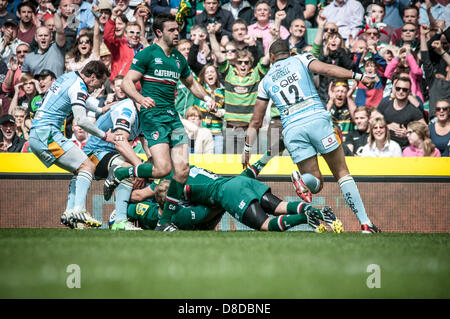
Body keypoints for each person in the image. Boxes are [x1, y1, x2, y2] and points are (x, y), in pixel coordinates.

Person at [243, 39, 381, 234]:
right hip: (317, 119)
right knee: (341, 172)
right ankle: (366, 224)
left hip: (292, 129)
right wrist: (358, 76)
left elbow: (256, 120)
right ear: (290, 52)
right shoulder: (301, 58)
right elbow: (328, 70)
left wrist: (247, 150)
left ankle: (303, 179)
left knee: (315, 183)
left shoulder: (265, 81)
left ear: (272, 58)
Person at [107, 13, 216, 232]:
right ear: (159, 32)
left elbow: (191, 82)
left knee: (182, 170)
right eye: (172, 30)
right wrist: (140, 99)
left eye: (178, 29)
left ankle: (165, 221)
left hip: (172, 117)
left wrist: (207, 98)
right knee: (162, 169)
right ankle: (120, 173)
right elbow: (128, 82)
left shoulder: (177, 58)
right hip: (153, 117)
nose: (177, 33)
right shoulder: (148, 54)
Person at [129, 149, 343, 233]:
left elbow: (145, 195)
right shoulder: (190, 168)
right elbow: (251, 170)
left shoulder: (172, 182)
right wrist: (272, 152)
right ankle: (317, 211)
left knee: (266, 224)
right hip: (239, 181)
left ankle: (305, 218)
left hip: (230, 194)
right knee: (279, 206)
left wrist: (123, 190)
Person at [28, 61, 116, 228]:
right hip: (46, 134)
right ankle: (79, 210)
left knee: (79, 169)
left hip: (39, 133)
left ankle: (70, 212)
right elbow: (82, 120)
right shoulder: (79, 86)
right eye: (99, 82)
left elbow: (81, 97)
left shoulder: (69, 77)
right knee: (87, 166)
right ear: (91, 78)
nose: (99, 87)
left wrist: (99, 109)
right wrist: (105, 136)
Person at [62, 97, 144, 230]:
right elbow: (120, 142)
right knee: (129, 169)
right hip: (95, 153)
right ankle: (120, 221)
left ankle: (70, 211)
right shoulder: (127, 109)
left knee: (138, 169)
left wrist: (149, 168)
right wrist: (139, 167)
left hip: (110, 154)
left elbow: (148, 148)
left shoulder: (145, 116)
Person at [209, 19, 270, 154]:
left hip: (251, 129)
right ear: (235, 63)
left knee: (251, 163)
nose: (243, 65)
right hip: (231, 128)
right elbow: (218, 54)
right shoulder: (228, 72)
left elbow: (267, 57)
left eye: (246, 62)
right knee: (230, 166)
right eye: (240, 62)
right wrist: (212, 35)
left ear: (250, 63)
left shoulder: (256, 74)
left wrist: (275, 36)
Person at [377, 76, 427, 149]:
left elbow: (426, 129)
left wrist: (408, 133)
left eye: (404, 90)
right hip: (384, 147)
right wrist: (385, 126)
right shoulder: (384, 105)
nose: (401, 92)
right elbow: (372, 123)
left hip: (404, 149)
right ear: (394, 89)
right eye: (398, 88)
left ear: (409, 91)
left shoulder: (413, 110)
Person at [21, 13, 66, 78]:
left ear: (51, 38)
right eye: (40, 35)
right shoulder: (28, 57)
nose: (43, 38)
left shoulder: (58, 48)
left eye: (46, 35)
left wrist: (54, 12)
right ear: (36, 38)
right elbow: (24, 78)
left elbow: (60, 30)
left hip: (58, 87)